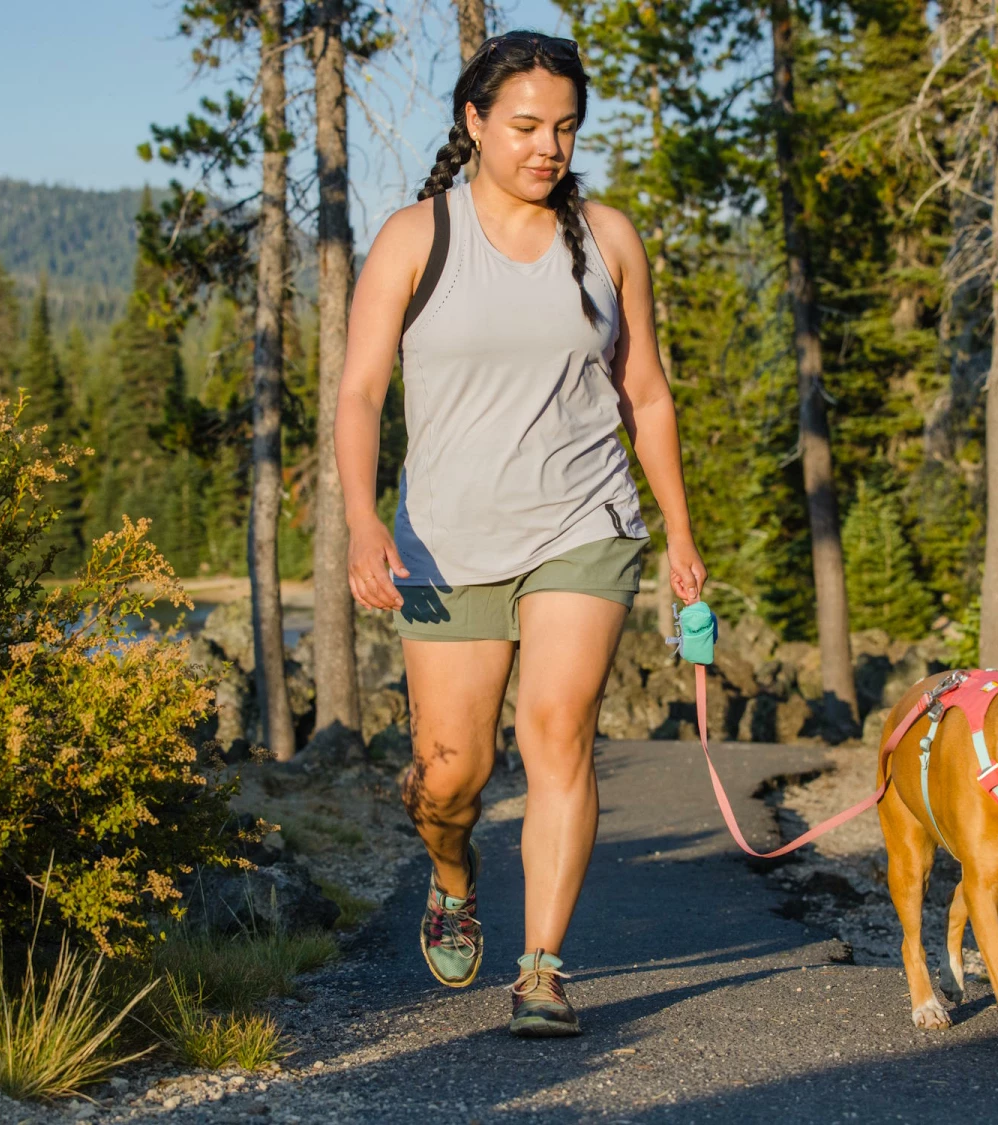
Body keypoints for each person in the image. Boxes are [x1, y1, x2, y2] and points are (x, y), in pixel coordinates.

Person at [335, 29, 706, 1038]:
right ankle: (452, 875)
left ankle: (542, 968)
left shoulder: (609, 238)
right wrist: (365, 523)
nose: (549, 146)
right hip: (444, 543)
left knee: (556, 731)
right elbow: (362, 391)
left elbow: (648, 396)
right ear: (476, 122)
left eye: (567, 128)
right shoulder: (419, 236)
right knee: (447, 777)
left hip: (582, 523)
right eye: (528, 125)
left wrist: (678, 535)